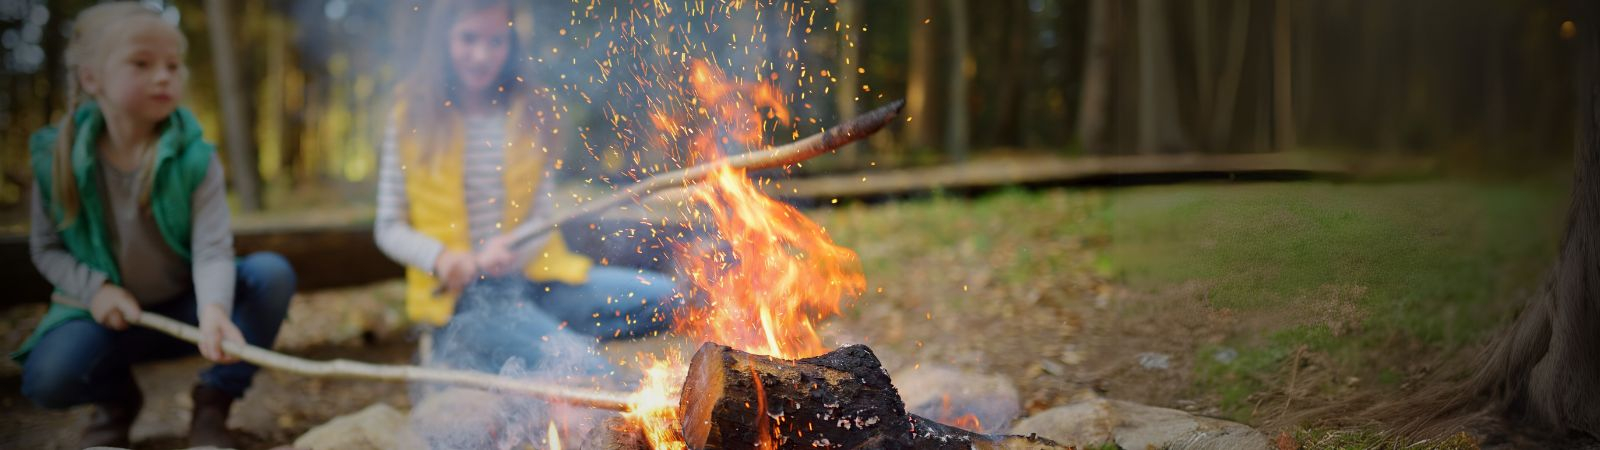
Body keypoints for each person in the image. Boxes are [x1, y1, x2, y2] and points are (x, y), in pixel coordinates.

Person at [16, 3, 297, 448]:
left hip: (186, 309)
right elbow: (47, 248)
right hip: (104, 317)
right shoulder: (54, 159)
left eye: (173, 65)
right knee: (48, 379)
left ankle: (212, 406)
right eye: (141, 63)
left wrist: (215, 311)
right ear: (92, 79)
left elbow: (211, 249)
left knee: (271, 274)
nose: (164, 75)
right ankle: (116, 403)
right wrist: (96, 290)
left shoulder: (196, 158)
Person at [374, 0, 679, 376]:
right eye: (468, 39)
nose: (481, 55)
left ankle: (540, 335)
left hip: (541, 281)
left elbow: (542, 215)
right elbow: (388, 226)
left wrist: (515, 250)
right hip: (465, 301)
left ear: (511, 44)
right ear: (443, 40)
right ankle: (526, 344)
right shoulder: (411, 113)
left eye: (495, 42)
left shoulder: (533, 110)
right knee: (584, 370)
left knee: (674, 298)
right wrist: (442, 259)